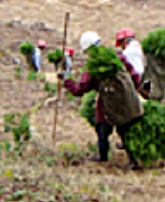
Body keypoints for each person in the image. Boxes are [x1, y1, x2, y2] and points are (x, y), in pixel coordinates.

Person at [59, 31, 142, 167]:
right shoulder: (117, 56)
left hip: (107, 106)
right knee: (125, 131)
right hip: (126, 102)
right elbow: (133, 74)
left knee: (102, 129)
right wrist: (134, 92)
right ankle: (133, 160)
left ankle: (103, 157)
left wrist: (66, 80)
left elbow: (80, 89)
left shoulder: (94, 66)